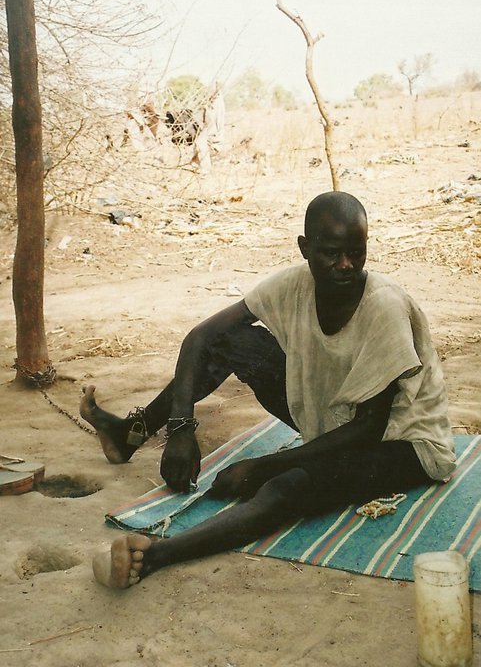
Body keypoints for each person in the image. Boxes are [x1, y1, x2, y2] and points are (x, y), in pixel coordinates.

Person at [82, 191, 456, 589]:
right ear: (305, 248)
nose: (346, 264)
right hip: (334, 415)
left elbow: (369, 428)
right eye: (331, 253)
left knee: (289, 485)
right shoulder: (295, 284)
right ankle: (131, 434)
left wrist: (265, 466)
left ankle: (155, 555)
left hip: (402, 442)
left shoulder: (384, 306)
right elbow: (202, 337)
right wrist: (180, 429)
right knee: (230, 342)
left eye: (356, 252)